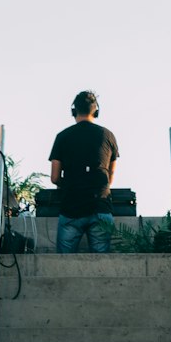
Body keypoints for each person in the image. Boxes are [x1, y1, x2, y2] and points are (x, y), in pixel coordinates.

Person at [48, 89, 120, 253]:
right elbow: (109, 177)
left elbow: (54, 177)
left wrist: (66, 183)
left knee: (63, 264)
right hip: (100, 207)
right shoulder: (108, 136)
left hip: (71, 207)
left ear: (74, 111)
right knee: (101, 265)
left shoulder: (62, 136)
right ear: (96, 111)